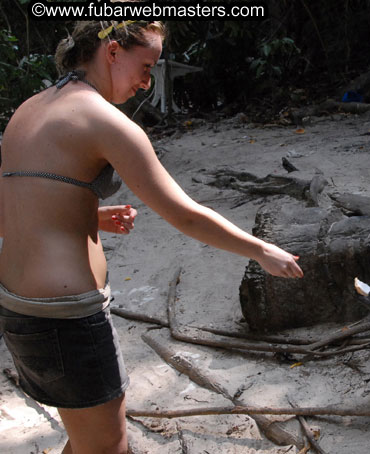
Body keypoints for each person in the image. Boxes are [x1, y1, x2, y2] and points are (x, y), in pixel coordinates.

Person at [0, 21, 303, 454]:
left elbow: (6, 211)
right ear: (112, 52)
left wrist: (89, 215)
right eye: (146, 67)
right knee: (108, 446)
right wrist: (260, 249)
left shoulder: (29, 109)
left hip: (17, 309)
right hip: (64, 315)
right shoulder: (106, 122)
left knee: (90, 439)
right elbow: (184, 215)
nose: (146, 83)